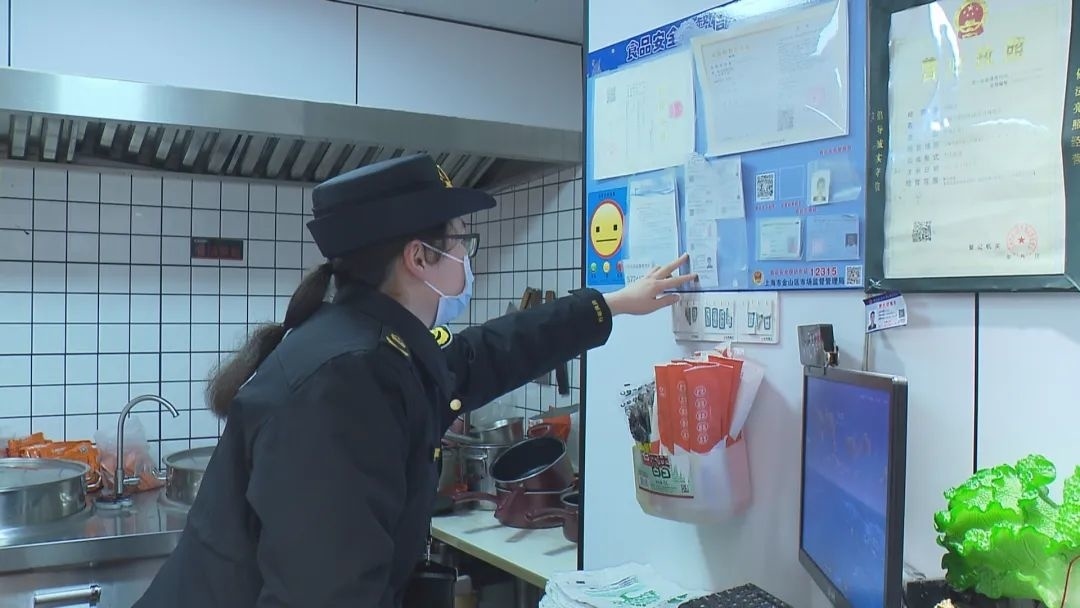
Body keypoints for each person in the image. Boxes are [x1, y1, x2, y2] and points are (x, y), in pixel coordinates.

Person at [135, 154, 696, 608]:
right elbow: (328, 595)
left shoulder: (371, 344)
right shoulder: (346, 380)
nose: (466, 257)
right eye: (460, 241)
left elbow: (486, 354)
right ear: (419, 258)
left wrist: (613, 304)